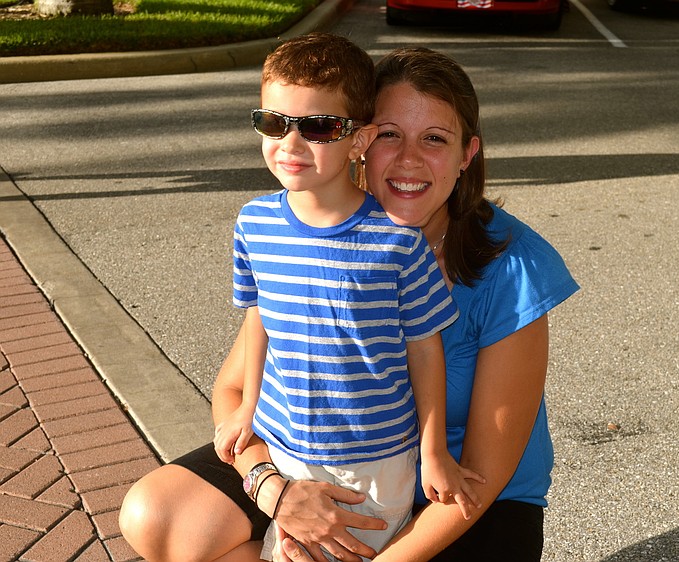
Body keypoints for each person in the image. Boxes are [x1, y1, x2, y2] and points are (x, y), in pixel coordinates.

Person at [119, 45, 579, 562]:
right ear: (359, 141)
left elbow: (486, 473)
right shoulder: (318, 237)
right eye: (389, 135)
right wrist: (274, 490)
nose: (408, 159)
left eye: (434, 139)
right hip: (311, 465)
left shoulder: (514, 264)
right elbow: (233, 389)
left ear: (467, 153)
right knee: (158, 514)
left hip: (457, 491)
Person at [193, 32, 481, 561]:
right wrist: (248, 408)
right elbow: (260, 318)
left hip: (372, 462)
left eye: (319, 127)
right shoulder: (255, 224)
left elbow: (424, 349)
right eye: (274, 122)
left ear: (359, 140)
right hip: (283, 446)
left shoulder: (396, 242)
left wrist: (433, 449)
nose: (290, 144)